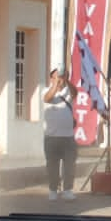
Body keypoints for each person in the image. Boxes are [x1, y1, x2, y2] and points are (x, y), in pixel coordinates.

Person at [41, 68, 78, 200]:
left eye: (61, 77)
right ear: (51, 78)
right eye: (56, 77)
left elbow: (75, 93)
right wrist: (55, 84)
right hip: (51, 137)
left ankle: (68, 189)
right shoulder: (45, 90)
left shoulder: (68, 91)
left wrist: (67, 81)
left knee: (69, 164)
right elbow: (47, 98)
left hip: (68, 137)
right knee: (52, 165)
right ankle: (53, 190)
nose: (59, 79)